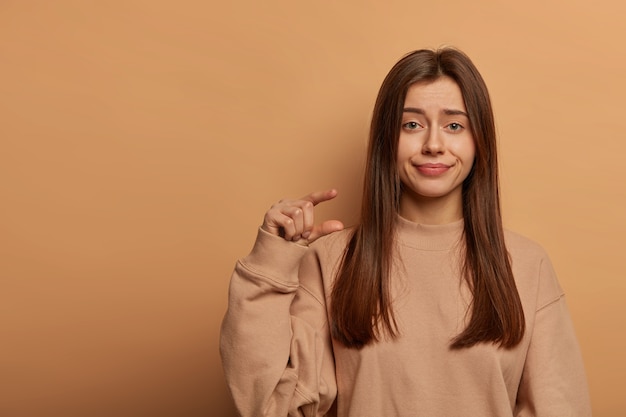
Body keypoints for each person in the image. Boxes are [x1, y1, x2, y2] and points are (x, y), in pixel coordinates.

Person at [220, 47, 591, 416]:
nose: (433, 144)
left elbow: (560, 408)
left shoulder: (528, 265)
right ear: (386, 140)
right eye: (411, 124)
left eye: (454, 125)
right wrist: (271, 263)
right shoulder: (330, 260)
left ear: (479, 142)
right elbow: (269, 404)